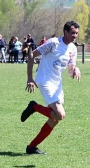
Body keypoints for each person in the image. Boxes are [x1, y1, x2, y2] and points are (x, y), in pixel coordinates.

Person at [20, 21, 81, 155]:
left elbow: (70, 71)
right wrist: (30, 78)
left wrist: (75, 70)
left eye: (76, 33)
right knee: (60, 114)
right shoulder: (53, 43)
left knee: (54, 120)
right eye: (72, 33)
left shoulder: (73, 49)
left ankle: (31, 147)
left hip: (57, 84)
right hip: (45, 80)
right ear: (65, 32)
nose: (75, 36)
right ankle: (34, 106)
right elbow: (31, 55)